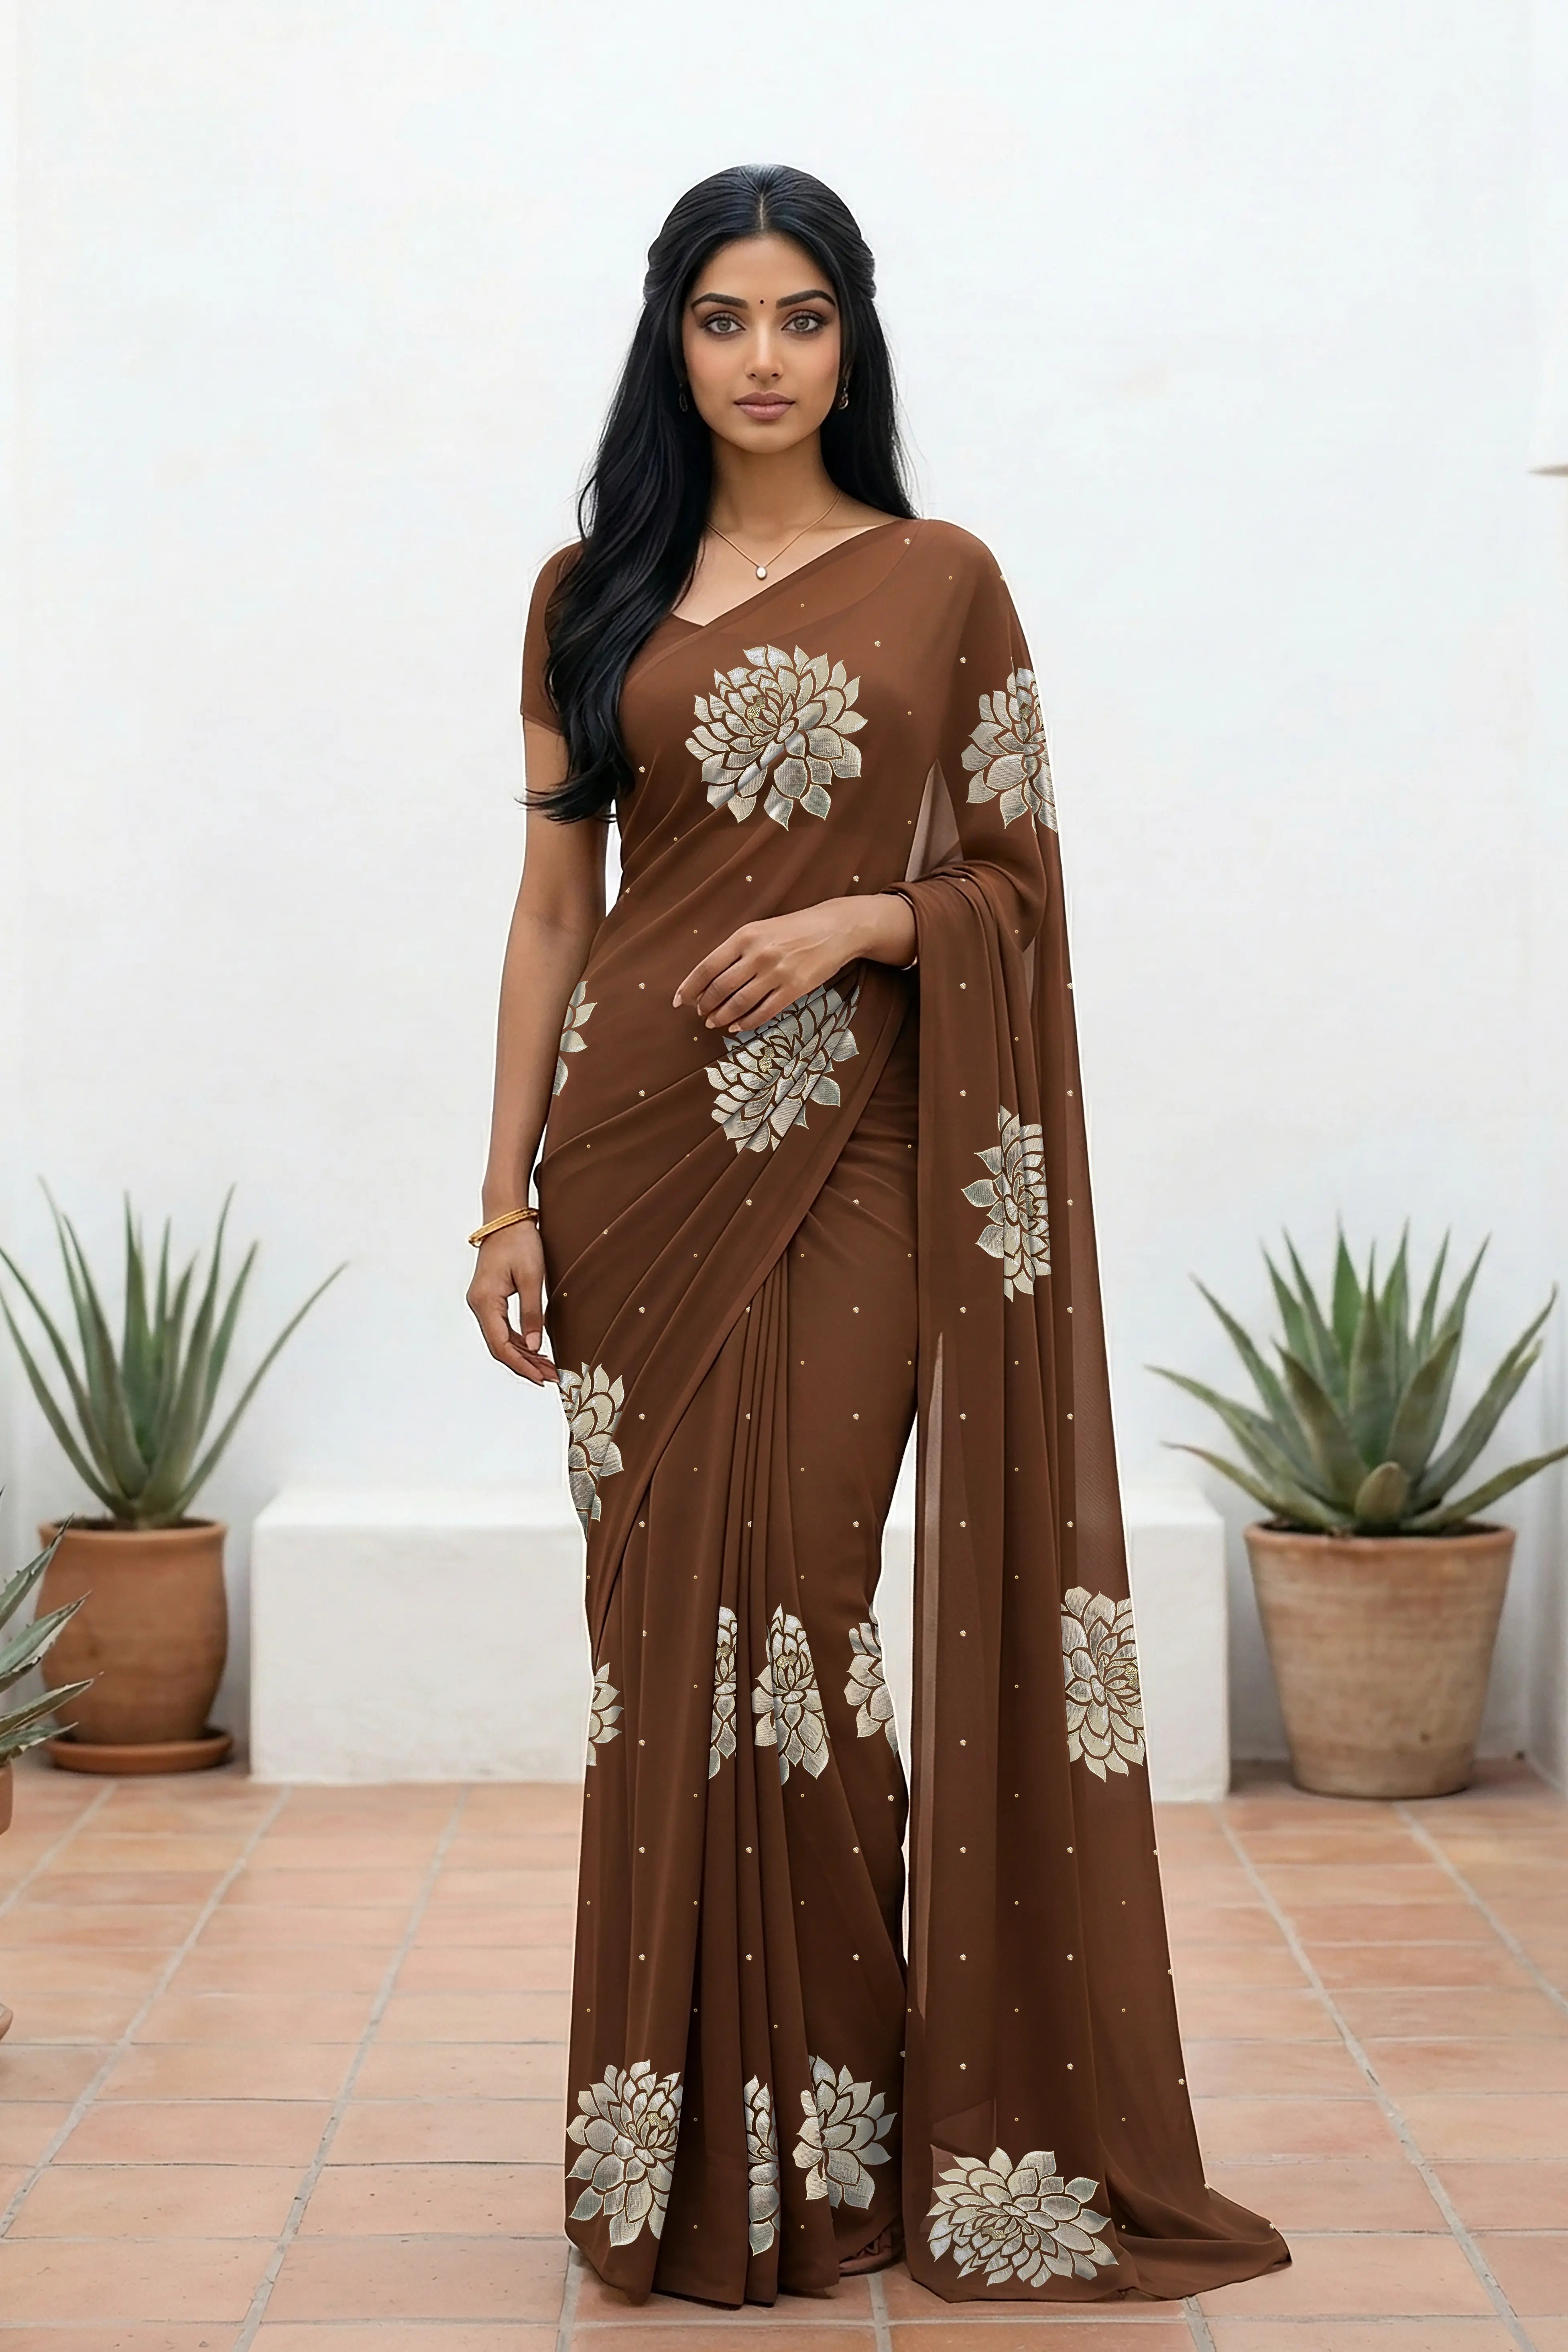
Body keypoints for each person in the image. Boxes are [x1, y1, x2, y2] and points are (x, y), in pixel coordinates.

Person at [468, 163, 1287, 2308]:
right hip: (628, 1170)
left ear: (853, 341)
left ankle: (832, 2142)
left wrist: (865, 917)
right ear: (670, 338)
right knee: (665, 1659)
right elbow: (556, 908)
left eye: (801, 315)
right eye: (724, 315)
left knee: (808, 1629)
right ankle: (682, 2148)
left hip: (852, 1159)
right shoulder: (588, 589)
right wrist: (497, 1201)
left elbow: (1014, 880)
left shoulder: (941, 580)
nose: (760, 356)